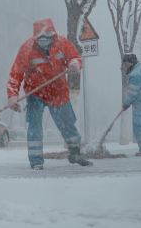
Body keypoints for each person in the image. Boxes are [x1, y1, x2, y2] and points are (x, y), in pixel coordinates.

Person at [7, 18, 92, 170]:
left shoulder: (62, 43)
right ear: (36, 38)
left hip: (58, 91)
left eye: (48, 38)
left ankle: (75, 153)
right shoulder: (27, 49)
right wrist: (12, 96)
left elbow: (76, 57)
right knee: (34, 127)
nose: (45, 41)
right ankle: (36, 161)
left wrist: (74, 64)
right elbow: (16, 74)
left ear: (53, 35)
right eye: (41, 38)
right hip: (35, 93)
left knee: (67, 123)